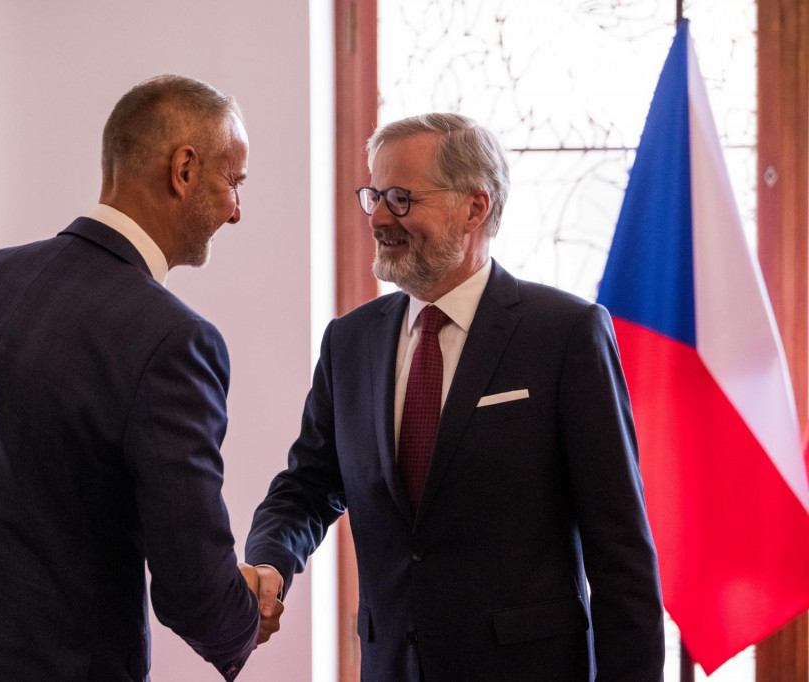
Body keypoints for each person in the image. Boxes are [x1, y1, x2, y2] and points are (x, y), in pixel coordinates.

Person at [0, 75, 281, 682]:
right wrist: (245, 612)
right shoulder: (175, 340)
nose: (236, 211)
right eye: (233, 182)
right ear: (183, 170)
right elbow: (193, 589)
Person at [244, 113, 665, 681]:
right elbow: (309, 485)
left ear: (475, 207)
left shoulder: (566, 333)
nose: (376, 217)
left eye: (400, 198)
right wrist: (271, 557)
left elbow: (621, 554)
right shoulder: (350, 341)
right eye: (372, 195)